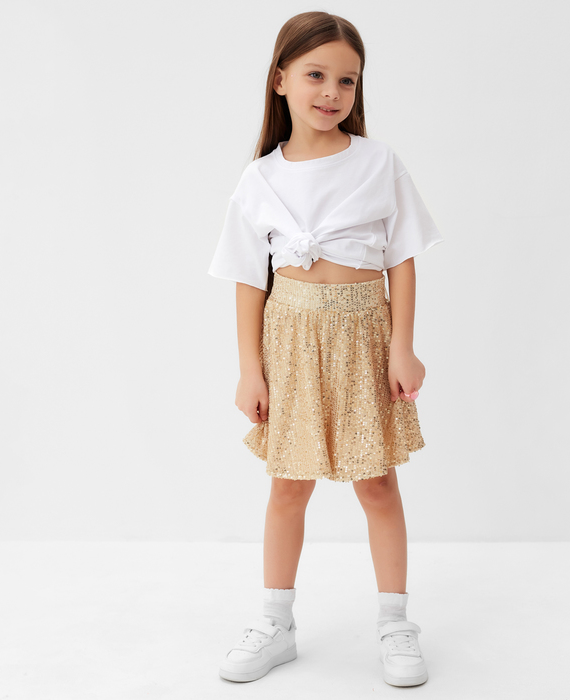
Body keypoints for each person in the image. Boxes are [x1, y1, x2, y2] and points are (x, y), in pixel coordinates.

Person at [207, 10, 443, 688]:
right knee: (288, 485)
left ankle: (395, 622)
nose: (332, 92)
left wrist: (403, 348)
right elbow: (249, 279)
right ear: (280, 79)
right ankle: (275, 622)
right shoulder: (259, 179)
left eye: (347, 80)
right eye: (316, 75)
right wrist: (250, 369)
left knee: (378, 482)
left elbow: (401, 261)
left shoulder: (378, 163)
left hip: (365, 337)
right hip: (290, 340)